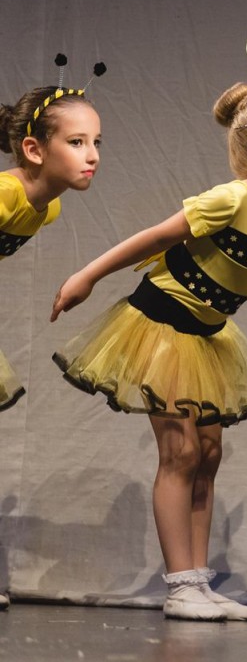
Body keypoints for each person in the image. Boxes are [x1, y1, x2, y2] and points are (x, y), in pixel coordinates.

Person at [51, 48, 247, 621]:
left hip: (207, 335)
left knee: (209, 452)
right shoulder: (233, 198)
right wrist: (87, 276)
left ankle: (200, 583)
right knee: (180, 451)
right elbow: (156, 237)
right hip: (160, 323)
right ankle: (181, 587)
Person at [0, 56, 104, 610]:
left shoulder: (48, 208)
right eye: (77, 142)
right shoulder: (6, 194)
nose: (92, 155)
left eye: (96, 143)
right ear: (34, 150)